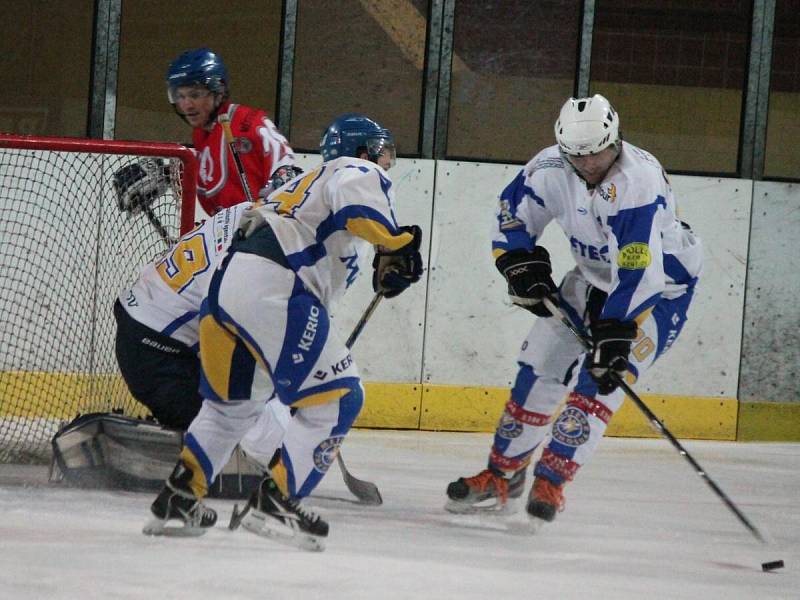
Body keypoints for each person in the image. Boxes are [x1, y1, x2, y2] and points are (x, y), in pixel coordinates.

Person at [143, 114, 424, 551]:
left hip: (228, 290)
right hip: (274, 287)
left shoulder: (305, 187)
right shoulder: (356, 169)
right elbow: (357, 203)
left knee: (230, 409)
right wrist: (397, 243)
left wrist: (383, 254)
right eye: (384, 152)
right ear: (365, 150)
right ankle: (275, 501)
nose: (389, 162)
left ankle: (179, 498)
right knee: (341, 397)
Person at [445, 94, 703, 528]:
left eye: (597, 153)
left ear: (615, 139)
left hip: (658, 292)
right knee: (537, 366)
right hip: (591, 279)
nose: (587, 164)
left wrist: (617, 332)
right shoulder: (549, 168)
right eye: (576, 155)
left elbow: (640, 269)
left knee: (599, 381)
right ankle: (502, 474)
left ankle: (553, 480)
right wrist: (520, 264)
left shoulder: (636, 181)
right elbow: (512, 219)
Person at [166, 47, 296, 216]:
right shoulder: (200, 135)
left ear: (218, 92)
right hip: (231, 234)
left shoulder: (248, 122)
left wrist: (266, 207)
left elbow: (288, 172)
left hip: (267, 231)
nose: (187, 105)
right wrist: (169, 175)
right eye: (181, 97)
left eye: (195, 95)